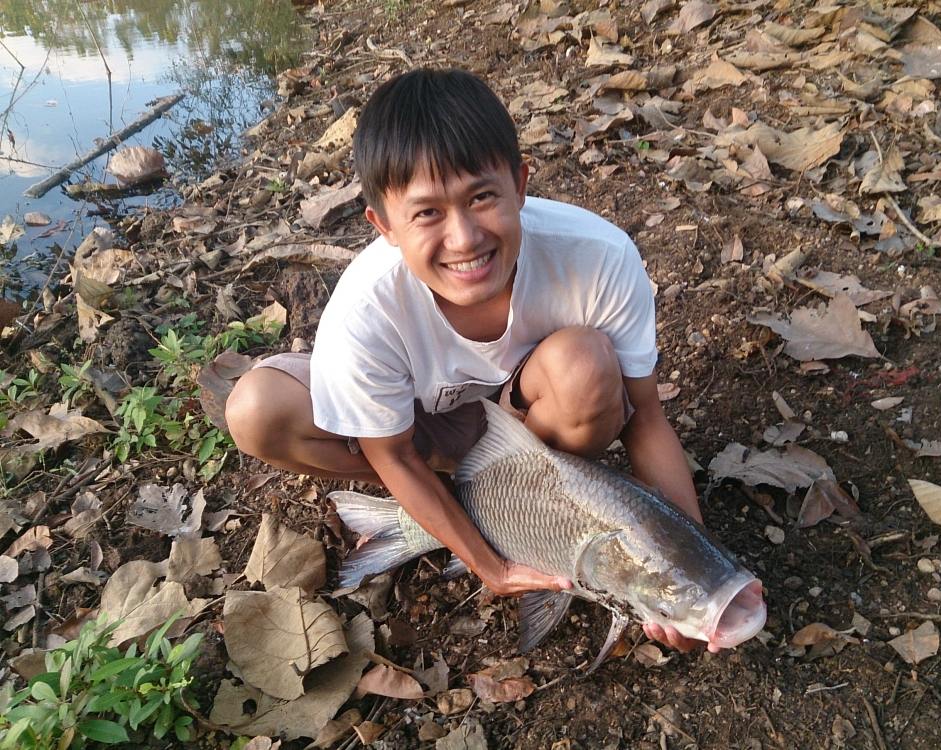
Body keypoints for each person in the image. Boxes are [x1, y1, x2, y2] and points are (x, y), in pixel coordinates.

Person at [226, 68, 712, 652]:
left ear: (520, 184)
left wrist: (693, 569)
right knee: (257, 410)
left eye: (482, 197)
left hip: (534, 422)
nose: (463, 239)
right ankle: (464, 504)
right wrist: (490, 565)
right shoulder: (365, 309)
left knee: (585, 365)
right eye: (427, 213)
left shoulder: (598, 256)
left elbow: (646, 417)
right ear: (382, 226)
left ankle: (523, 509)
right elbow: (393, 455)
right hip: (419, 432)